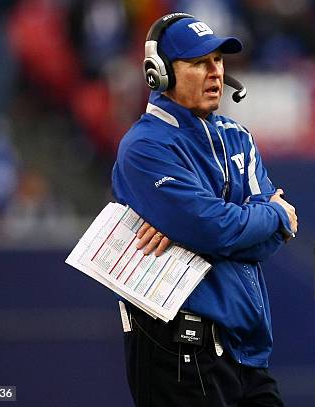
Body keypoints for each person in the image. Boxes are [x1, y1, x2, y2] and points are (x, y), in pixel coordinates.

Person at [111, 12, 297, 407]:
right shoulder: (145, 147)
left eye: (218, 60)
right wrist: (275, 214)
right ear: (158, 74)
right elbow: (215, 230)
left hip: (244, 349)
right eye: (198, 63)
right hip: (178, 348)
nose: (215, 73)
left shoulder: (236, 135)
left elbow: (262, 243)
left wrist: (239, 226)